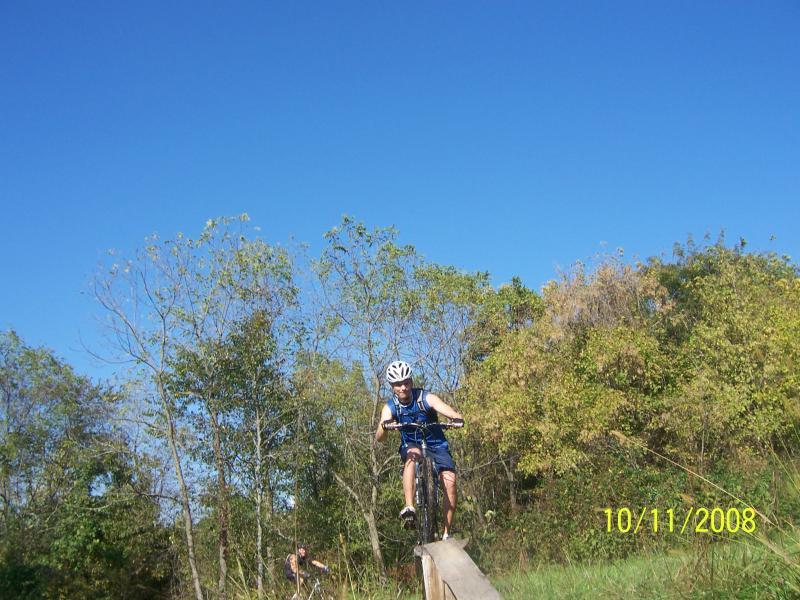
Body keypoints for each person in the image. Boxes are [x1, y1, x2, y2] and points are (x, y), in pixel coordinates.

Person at [375, 360, 464, 540]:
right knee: (411, 456)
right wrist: (384, 426)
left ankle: (446, 533)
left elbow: (443, 407)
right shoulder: (391, 406)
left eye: (406, 382)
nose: (403, 387)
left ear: (411, 381)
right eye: (398, 384)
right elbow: (380, 438)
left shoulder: (425, 397)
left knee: (450, 481)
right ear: (392, 386)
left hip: (437, 445)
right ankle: (410, 507)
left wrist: (455, 417)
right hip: (412, 445)